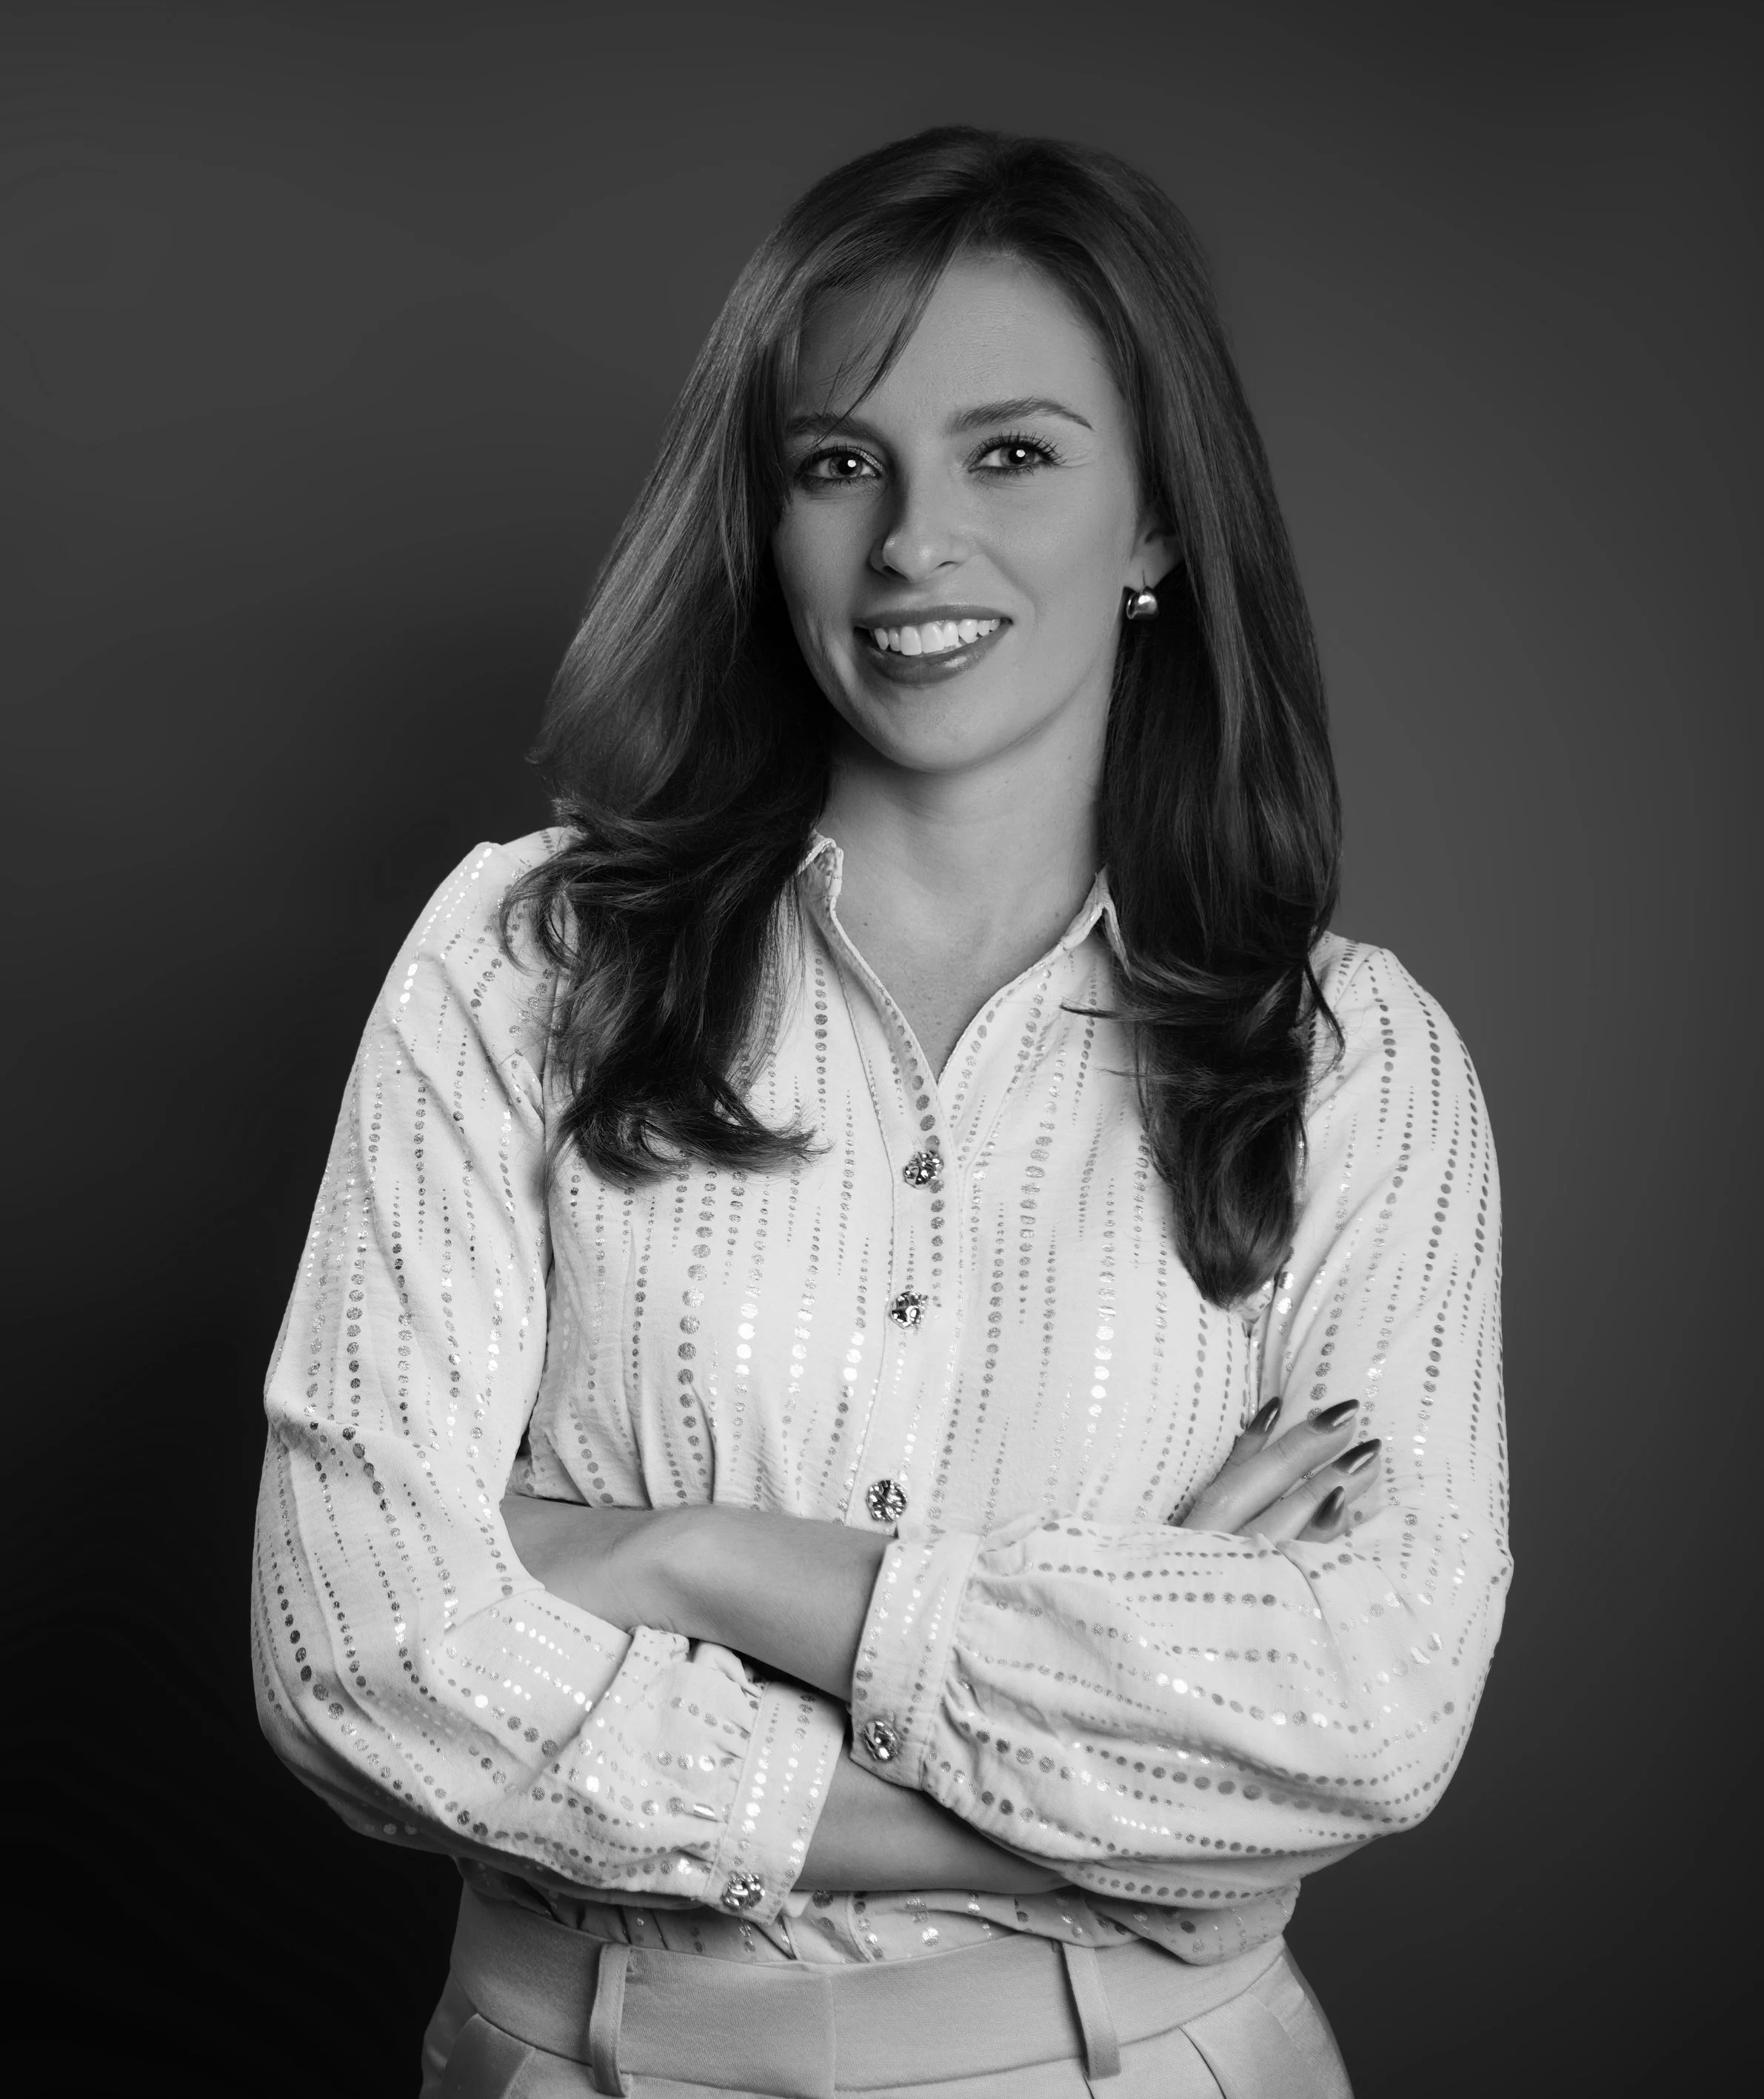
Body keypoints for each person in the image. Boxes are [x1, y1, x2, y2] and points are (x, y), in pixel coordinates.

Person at [253, 126, 1509, 2098]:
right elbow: (362, 1658)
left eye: (1012, 452)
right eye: (842, 463)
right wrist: (1131, 1778)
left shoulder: (1354, 1064)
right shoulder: (524, 962)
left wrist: (689, 1561)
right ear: (768, 519)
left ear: (1159, 518)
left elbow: (1368, 1719)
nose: (917, 541)